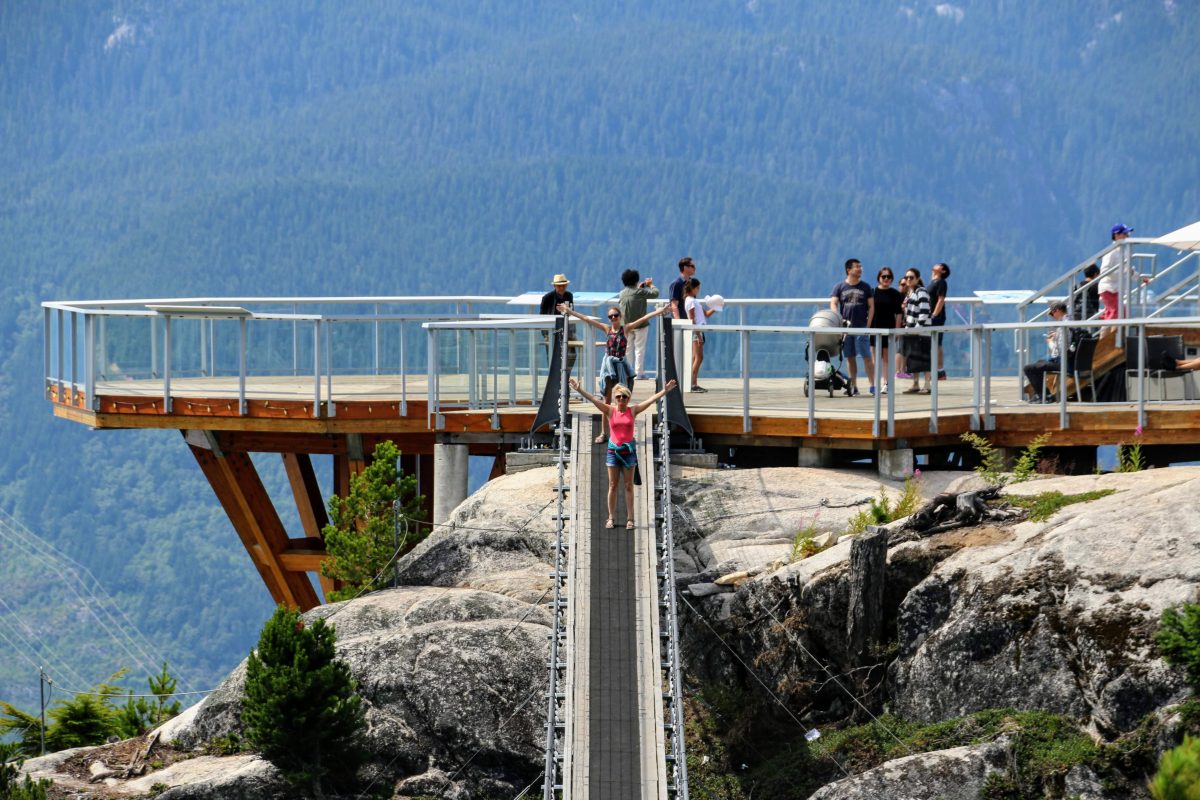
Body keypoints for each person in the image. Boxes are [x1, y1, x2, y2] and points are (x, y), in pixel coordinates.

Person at [569, 376, 679, 529]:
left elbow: (650, 400)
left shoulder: (632, 410)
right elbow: (594, 400)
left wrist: (664, 391)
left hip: (628, 452)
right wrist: (579, 390)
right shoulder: (610, 410)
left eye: (624, 397)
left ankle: (630, 519)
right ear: (615, 398)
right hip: (613, 451)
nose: (621, 399)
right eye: (619, 397)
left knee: (628, 485)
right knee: (613, 485)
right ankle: (611, 518)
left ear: (628, 399)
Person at [558, 301, 671, 442]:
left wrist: (660, 311)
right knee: (606, 401)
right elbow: (587, 319)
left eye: (615, 316)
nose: (613, 319)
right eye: (610, 317)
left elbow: (644, 318)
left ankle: (625, 430)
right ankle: (604, 433)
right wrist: (569, 311)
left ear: (620, 317)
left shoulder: (626, 328)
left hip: (621, 365)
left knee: (623, 397)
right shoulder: (607, 329)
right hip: (609, 366)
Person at [1023, 301, 1086, 401]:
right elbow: (1069, 340)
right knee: (1040, 363)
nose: (1052, 316)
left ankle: (1044, 397)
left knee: (1028, 368)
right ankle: (1044, 396)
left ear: (1057, 311)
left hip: (1065, 364)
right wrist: (1057, 335)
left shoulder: (1063, 327)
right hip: (1074, 363)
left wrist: (1050, 342)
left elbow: (1060, 352)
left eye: (1052, 313)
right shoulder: (1072, 322)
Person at [830, 258, 875, 396]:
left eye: (860, 266)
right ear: (849, 270)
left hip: (861, 326)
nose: (860, 269)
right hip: (846, 328)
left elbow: (872, 306)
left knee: (867, 356)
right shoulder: (839, 287)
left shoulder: (866, 287)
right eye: (857, 267)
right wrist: (838, 320)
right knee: (850, 357)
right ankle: (853, 386)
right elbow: (833, 303)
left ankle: (872, 385)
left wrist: (868, 325)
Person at [618, 269, 660, 379]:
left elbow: (633, 295)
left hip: (626, 326)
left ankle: (628, 372)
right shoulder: (639, 292)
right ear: (636, 280)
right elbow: (655, 294)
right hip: (640, 325)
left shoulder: (622, 293)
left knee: (628, 349)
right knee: (639, 349)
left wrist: (640, 287)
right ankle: (639, 373)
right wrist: (651, 285)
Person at [1098, 224, 1147, 320]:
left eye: (1127, 233)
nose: (1127, 236)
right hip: (1109, 288)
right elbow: (1104, 271)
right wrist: (1121, 273)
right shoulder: (1111, 251)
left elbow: (1128, 270)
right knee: (1118, 313)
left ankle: (1106, 334)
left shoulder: (1124, 251)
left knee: (1115, 313)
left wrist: (1140, 278)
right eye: (1125, 233)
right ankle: (1111, 334)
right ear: (1116, 236)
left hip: (1116, 289)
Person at [870, 266, 903, 394]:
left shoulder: (895, 294)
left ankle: (886, 383)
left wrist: (897, 329)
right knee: (874, 358)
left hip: (889, 328)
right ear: (879, 278)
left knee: (886, 358)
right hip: (874, 327)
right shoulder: (872, 292)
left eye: (889, 277)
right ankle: (874, 384)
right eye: (884, 276)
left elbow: (899, 313)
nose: (886, 279)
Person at [901, 268, 932, 394]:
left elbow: (924, 312)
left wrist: (917, 328)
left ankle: (927, 384)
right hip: (911, 330)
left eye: (911, 277)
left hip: (921, 332)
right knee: (913, 358)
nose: (908, 279)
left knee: (924, 358)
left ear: (918, 278)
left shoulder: (921, 292)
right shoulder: (911, 293)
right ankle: (915, 383)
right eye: (907, 277)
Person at [683, 277, 716, 392]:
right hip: (696, 331)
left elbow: (706, 314)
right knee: (699, 357)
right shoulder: (691, 301)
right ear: (692, 288)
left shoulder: (691, 300)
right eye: (697, 288)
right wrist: (698, 335)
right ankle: (692, 383)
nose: (698, 290)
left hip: (697, 331)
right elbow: (692, 319)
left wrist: (716, 307)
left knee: (695, 358)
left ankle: (691, 382)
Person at [539, 273, 575, 370]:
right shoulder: (547, 298)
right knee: (552, 358)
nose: (561, 288)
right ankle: (554, 382)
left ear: (566, 285)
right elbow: (541, 317)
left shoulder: (569, 296)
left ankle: (566, 377)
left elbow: (572, 312)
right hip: (551, 332)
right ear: (554, 286)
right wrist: (545, 334)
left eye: (563, 285)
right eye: (559, 286)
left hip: (567, 331)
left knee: (572, 355)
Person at [929, 262, 950, 380]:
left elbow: (941, 299)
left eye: (939, 265)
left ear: (943, 271)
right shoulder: (933, 282)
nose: (936, 265)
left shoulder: (941, 282)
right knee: (933, 344)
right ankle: (935, 370)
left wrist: (934, 315)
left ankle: (940, 371)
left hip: (936, 317)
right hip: (930, 316)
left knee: (937, 343)